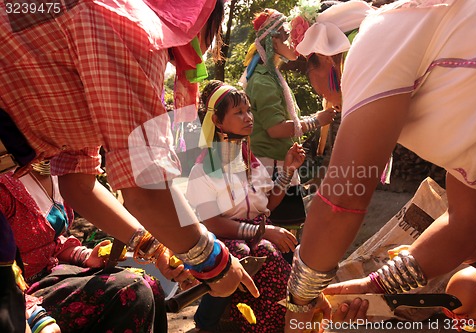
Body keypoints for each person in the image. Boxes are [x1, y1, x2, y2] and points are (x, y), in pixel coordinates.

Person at [0, 0, 258, 304]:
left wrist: (156, 247)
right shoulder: (132, 26)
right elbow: (144, 189)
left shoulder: (111, 19)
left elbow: (78, 183)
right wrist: (214, 262)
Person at [282, 0, 476, 332]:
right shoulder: (445, 84)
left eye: (313, 84)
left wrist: (299, 303)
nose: (325, 101)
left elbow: (341, 200)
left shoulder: (374, 40)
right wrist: (376, 284)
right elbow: (464, 223)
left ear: (325, 59)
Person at [0, 161, 183, 332]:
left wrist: (85, 256)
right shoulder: (5, 183)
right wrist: (34, 316)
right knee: (132, 290)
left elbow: (51, 243)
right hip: (16, 292)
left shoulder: (59, 170)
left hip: (52, 272)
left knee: (151, 285)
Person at [186, 80, 302, 332]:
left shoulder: (251, 161)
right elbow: (212, 222)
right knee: (247, 254)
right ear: (217, 121)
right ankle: (210, 321)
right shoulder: (202, 170)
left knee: (281, 253)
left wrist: (288, 169)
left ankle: (268, 322)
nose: (248, 117)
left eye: (248, 110)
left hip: (260, 229)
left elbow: (268, 203)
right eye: (238, 112)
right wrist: (262, 232)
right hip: (225, 234)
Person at [242, 8, 337, 193]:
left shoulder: (273, 77)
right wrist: (316, 120)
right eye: (287, 36)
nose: (294, 42)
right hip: (270, 171)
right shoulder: (263, 81)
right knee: (279, 222)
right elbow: (276, 129)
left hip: (280, 168)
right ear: (273, 41)